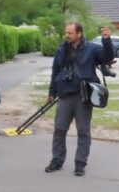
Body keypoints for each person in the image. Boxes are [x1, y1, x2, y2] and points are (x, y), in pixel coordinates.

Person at [46, 23, 114, 177]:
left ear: (79, 33)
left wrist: (107, 40)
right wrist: (51, 91)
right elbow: (55, 71)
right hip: (64, 95)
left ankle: (80, 163)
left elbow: (108, 57)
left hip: (83, 97)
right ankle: (57, 160)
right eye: (66, 33)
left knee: (83, 131)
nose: (67, 35)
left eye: (70, 33)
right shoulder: (62, 49)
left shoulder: (91, 48)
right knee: (59, 130)